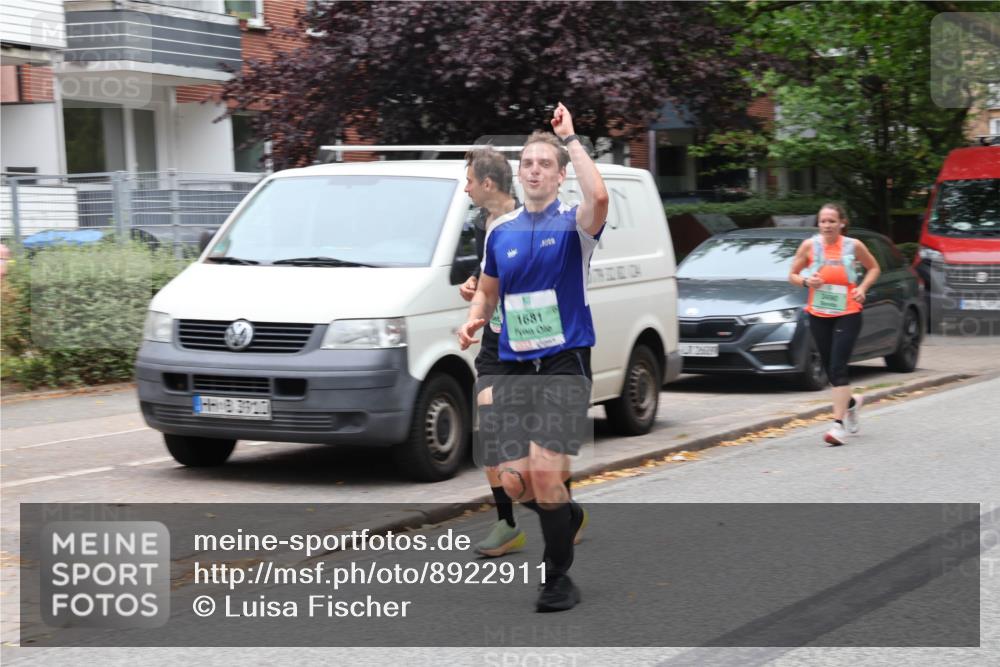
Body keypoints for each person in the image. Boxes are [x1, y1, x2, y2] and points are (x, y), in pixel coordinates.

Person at [458, 103, 608, 612]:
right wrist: (475, 315)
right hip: (516, 363)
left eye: (546, 164)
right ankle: (564, 516)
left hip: (565, 362)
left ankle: (556, 578)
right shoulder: (502, 233)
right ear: (518, 175)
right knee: (519, 482)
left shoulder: (574, 224)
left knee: (546, 475)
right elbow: (488, 292)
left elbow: (601, 195)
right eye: (528, 164)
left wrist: (571, 139)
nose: (536, 170)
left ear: (560, 174)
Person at [458, 147, 526, 557]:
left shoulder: (526, 222)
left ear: (487, 183)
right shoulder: (484, 224)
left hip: (528, 342)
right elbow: (485, 275)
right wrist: (473, 288)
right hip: (494, 342)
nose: (465, 188)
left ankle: (564, 508)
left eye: (469, 180)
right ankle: (507, 523)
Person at [789, 203, 880, 446]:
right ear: (818, 224)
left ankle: (836, 426)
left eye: (832, 221)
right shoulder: (810, 245)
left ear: (841, 223)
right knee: (830, 369)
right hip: (819, 312)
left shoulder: (853, 246)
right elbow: (793, 275)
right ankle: (851, 403)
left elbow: (874, 268)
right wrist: (808, 281)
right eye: (823, 221)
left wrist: (861, 288)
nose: (827, 225)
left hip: (848, 311)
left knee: (838, 366)